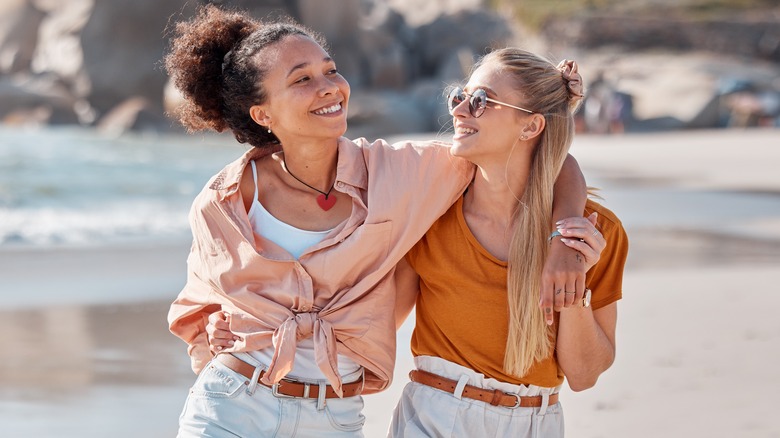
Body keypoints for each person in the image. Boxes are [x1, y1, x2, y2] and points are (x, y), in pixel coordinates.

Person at [167, 5, 591, 437]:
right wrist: (212, 333)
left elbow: (551, 157)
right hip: (233, 406)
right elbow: (197, 308)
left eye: (330, 71)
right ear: (263, 114)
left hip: (334, 417)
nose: (329, 88)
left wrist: (565, 242)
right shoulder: (223, 202)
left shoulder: (400, 174)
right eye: (302, 79)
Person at [386, 50, 629, 437]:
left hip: (536, 422)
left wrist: (575, 285)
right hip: (434, 416)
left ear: (530, 127)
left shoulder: (594, 233)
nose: (460, 110)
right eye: (458, 96)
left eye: (481, 100)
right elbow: (382, 323)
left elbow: (583, 376)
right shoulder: (430, 213)